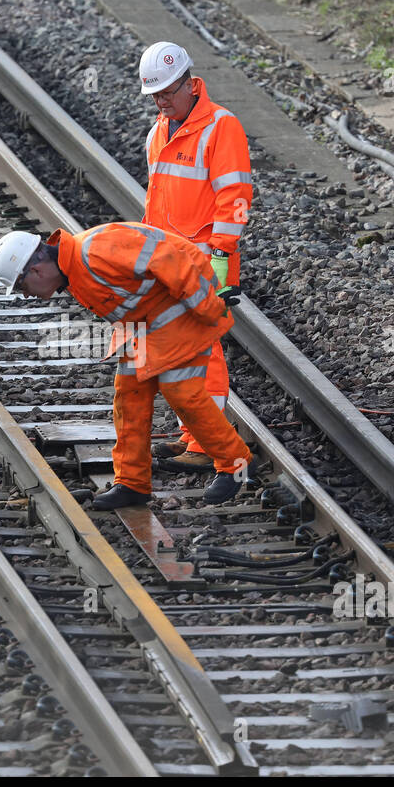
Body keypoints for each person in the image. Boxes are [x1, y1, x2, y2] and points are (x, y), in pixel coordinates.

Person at [0, 223, 257, 508]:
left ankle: (236, 465)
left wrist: (208, 305)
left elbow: (168, 257)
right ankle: (132, 484)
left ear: (36, 271)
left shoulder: (96, 250)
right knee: (130, 397)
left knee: (181, 392)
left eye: (21, 286)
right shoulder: (72, 270)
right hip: (144, 327)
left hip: (183, 313)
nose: (26, 295)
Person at [138, 41, 253, 474]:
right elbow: (156, 201)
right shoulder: (158, 132)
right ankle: (193, 436)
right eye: (156, 95)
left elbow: (236, 196)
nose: (162, 101)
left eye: (168, 92)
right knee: (182, 350)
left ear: (190, 83)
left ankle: (208, 444)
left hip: (204, 262)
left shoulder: (222, 127)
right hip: (168, 263)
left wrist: (222, 254)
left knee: (204, 350)